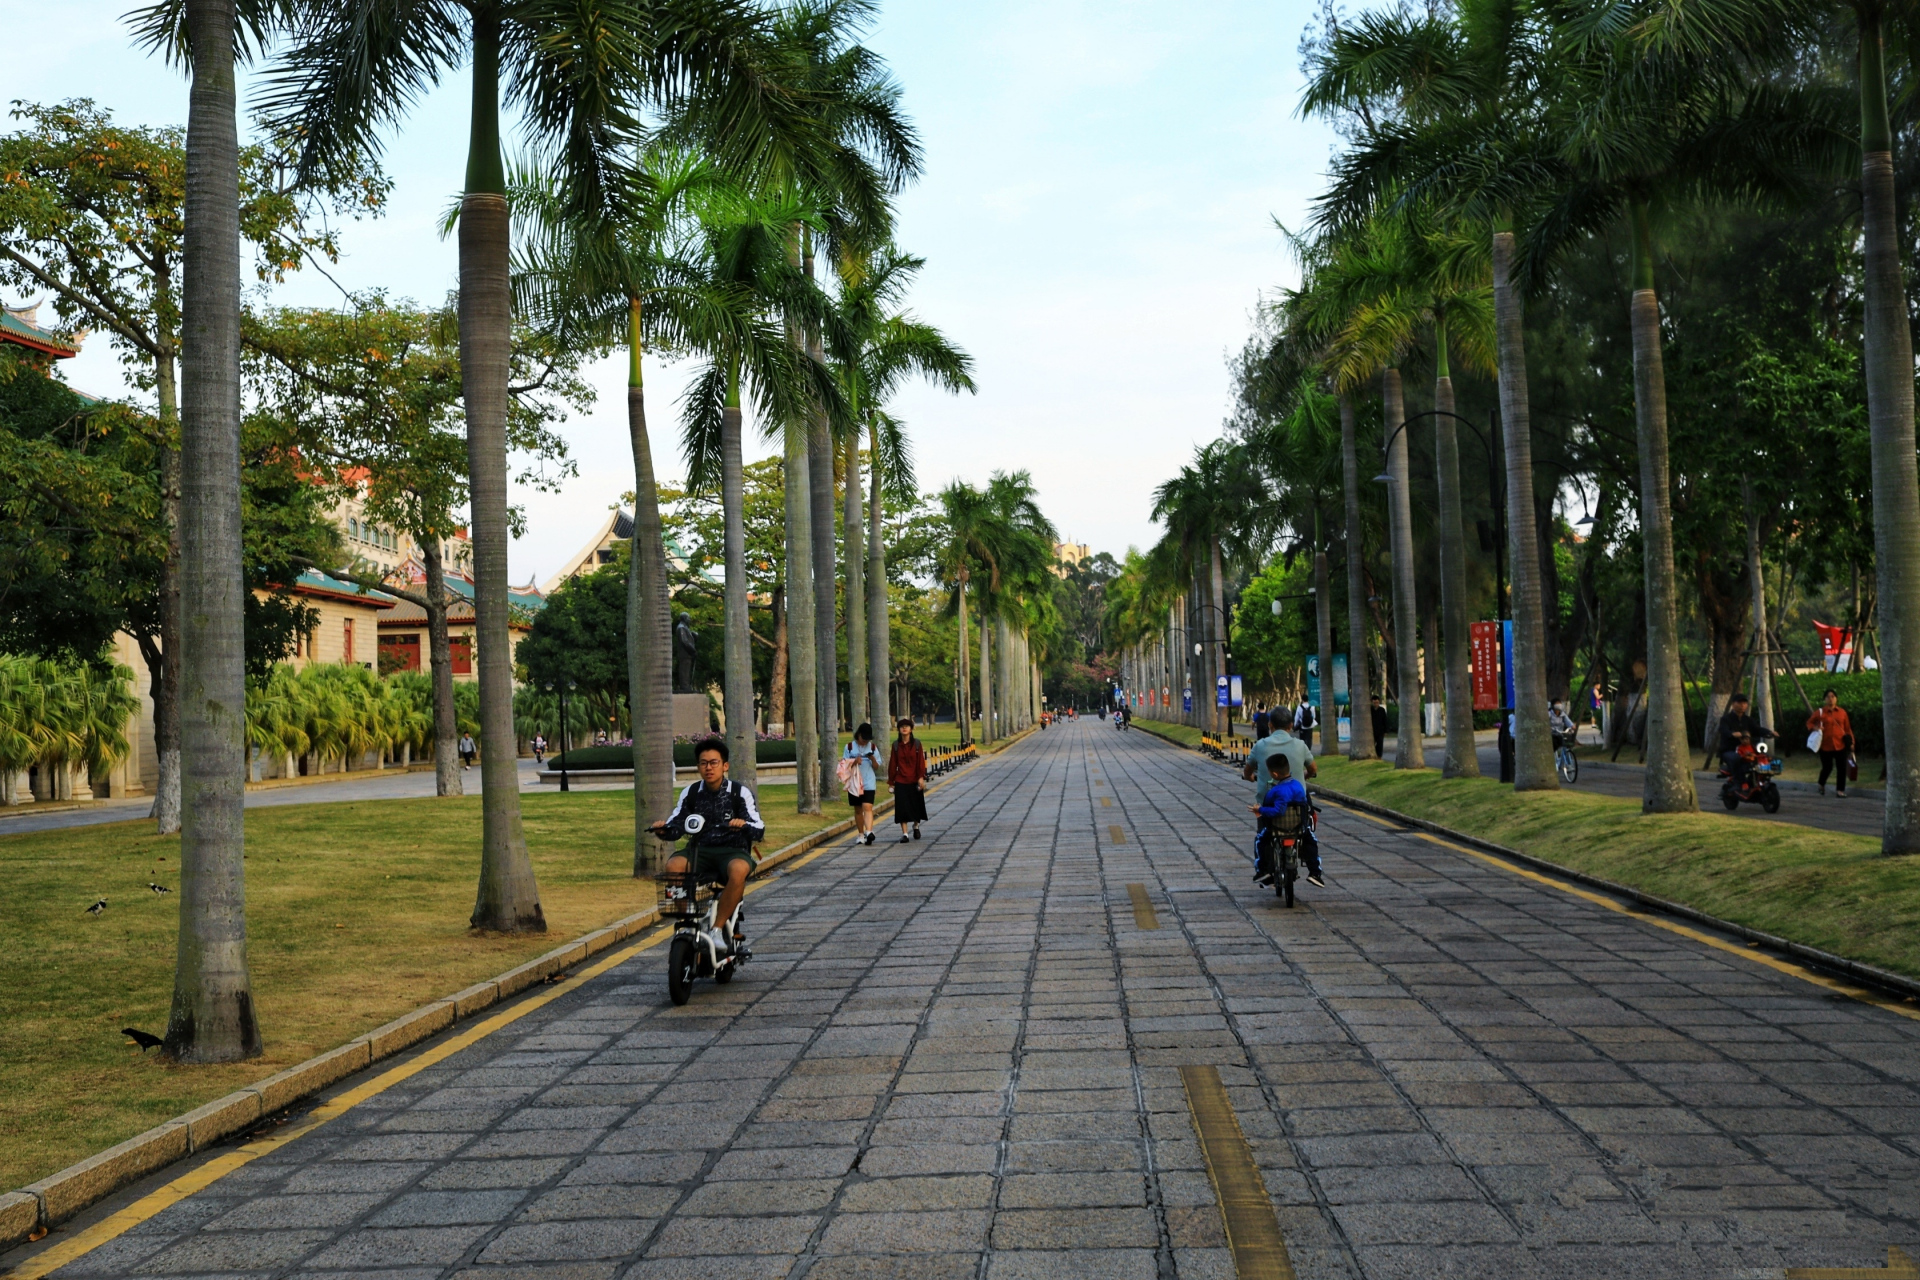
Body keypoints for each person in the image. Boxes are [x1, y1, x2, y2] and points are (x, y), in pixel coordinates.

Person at [650, 738, 765, 957]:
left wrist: (743, 825)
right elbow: (676, 825)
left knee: (739, 870)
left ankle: (716, 929)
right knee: (673, 865)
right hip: (699, 850)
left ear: (725, 766)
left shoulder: (739, 792)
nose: (708, 768)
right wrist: (663, 830)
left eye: (714, 763)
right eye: (703, 763)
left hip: (732, 851)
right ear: (698, 767)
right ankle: (689, 922)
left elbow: (759, 828)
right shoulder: (691, 793)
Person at [1248, 755, 1323, 887]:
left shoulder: (1274, 791)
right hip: (1299, 827)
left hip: (1276, 829)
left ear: (1275, 774)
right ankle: (1315, 873)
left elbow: (1277, 811)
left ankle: (1263, 871)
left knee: (1260, 841)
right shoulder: (1299, 786)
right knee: (1311, 841)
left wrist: (1260, 810)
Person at [1244, 715, 1316, 796]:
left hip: (1266, 801)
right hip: (1297, 800)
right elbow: (1313, 769)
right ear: (1291, 725)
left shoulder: (1259, 745)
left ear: (1270, 724)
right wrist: (1306, 775)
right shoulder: (1300, 745)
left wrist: (1250, 777)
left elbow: (1247, 771)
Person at [1806, 688, 1855, 797]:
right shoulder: (1820, 712)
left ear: (1836, 698)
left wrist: (1852, 742)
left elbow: (1847, 729)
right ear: (1825, 699)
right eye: (1828, 697)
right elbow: (1809, 723)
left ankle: (1840, 790)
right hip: (1825, 745)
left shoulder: (1842, 713)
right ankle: (1821, 783)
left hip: (1840, 744)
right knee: (1827, 767)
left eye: (1833, 696)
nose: (1830, 699)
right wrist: (1816, 728)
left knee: (1842, 768)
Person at [1717, 693, 1773, 786]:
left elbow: (1757, 729)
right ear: (1733, 704)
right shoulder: (1725, 719)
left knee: (1764, 757)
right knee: (1736, 758)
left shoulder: (1748, 719)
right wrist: (1732, 734)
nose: (1742, 705)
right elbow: (1723, 730)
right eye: (1739, 703)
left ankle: (1758, 781)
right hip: (1730, 750)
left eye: (1744, 703)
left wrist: (1770, 732)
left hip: (1747, 749)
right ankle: (1738, 783)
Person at [889, 718, 929, 841]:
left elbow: (920, 762)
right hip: (901, 780)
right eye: (902, 726)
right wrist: (891, 782)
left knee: (916, 806)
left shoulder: (916, 744)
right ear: (899, 729)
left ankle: (916, 826)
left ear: (911, 729)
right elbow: (892, 764)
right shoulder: (896, 745)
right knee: (902, 807)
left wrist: (921, 777)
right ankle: (905, 833)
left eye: (907, 726)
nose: (904, 728)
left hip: (914, 779)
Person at [843, 723, 880, 845]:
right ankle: (860, 834)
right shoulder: (849, 747)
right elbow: (844, 765)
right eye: (863, 739)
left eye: (867, 740)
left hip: (869, 782)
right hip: (854, 783)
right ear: (858, 735)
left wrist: (872, 759)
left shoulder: (873, 748)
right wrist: (854, 761)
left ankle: (869, 832)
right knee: (858, 809)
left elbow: (877, 767)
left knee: (867, 807)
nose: (865, 742)